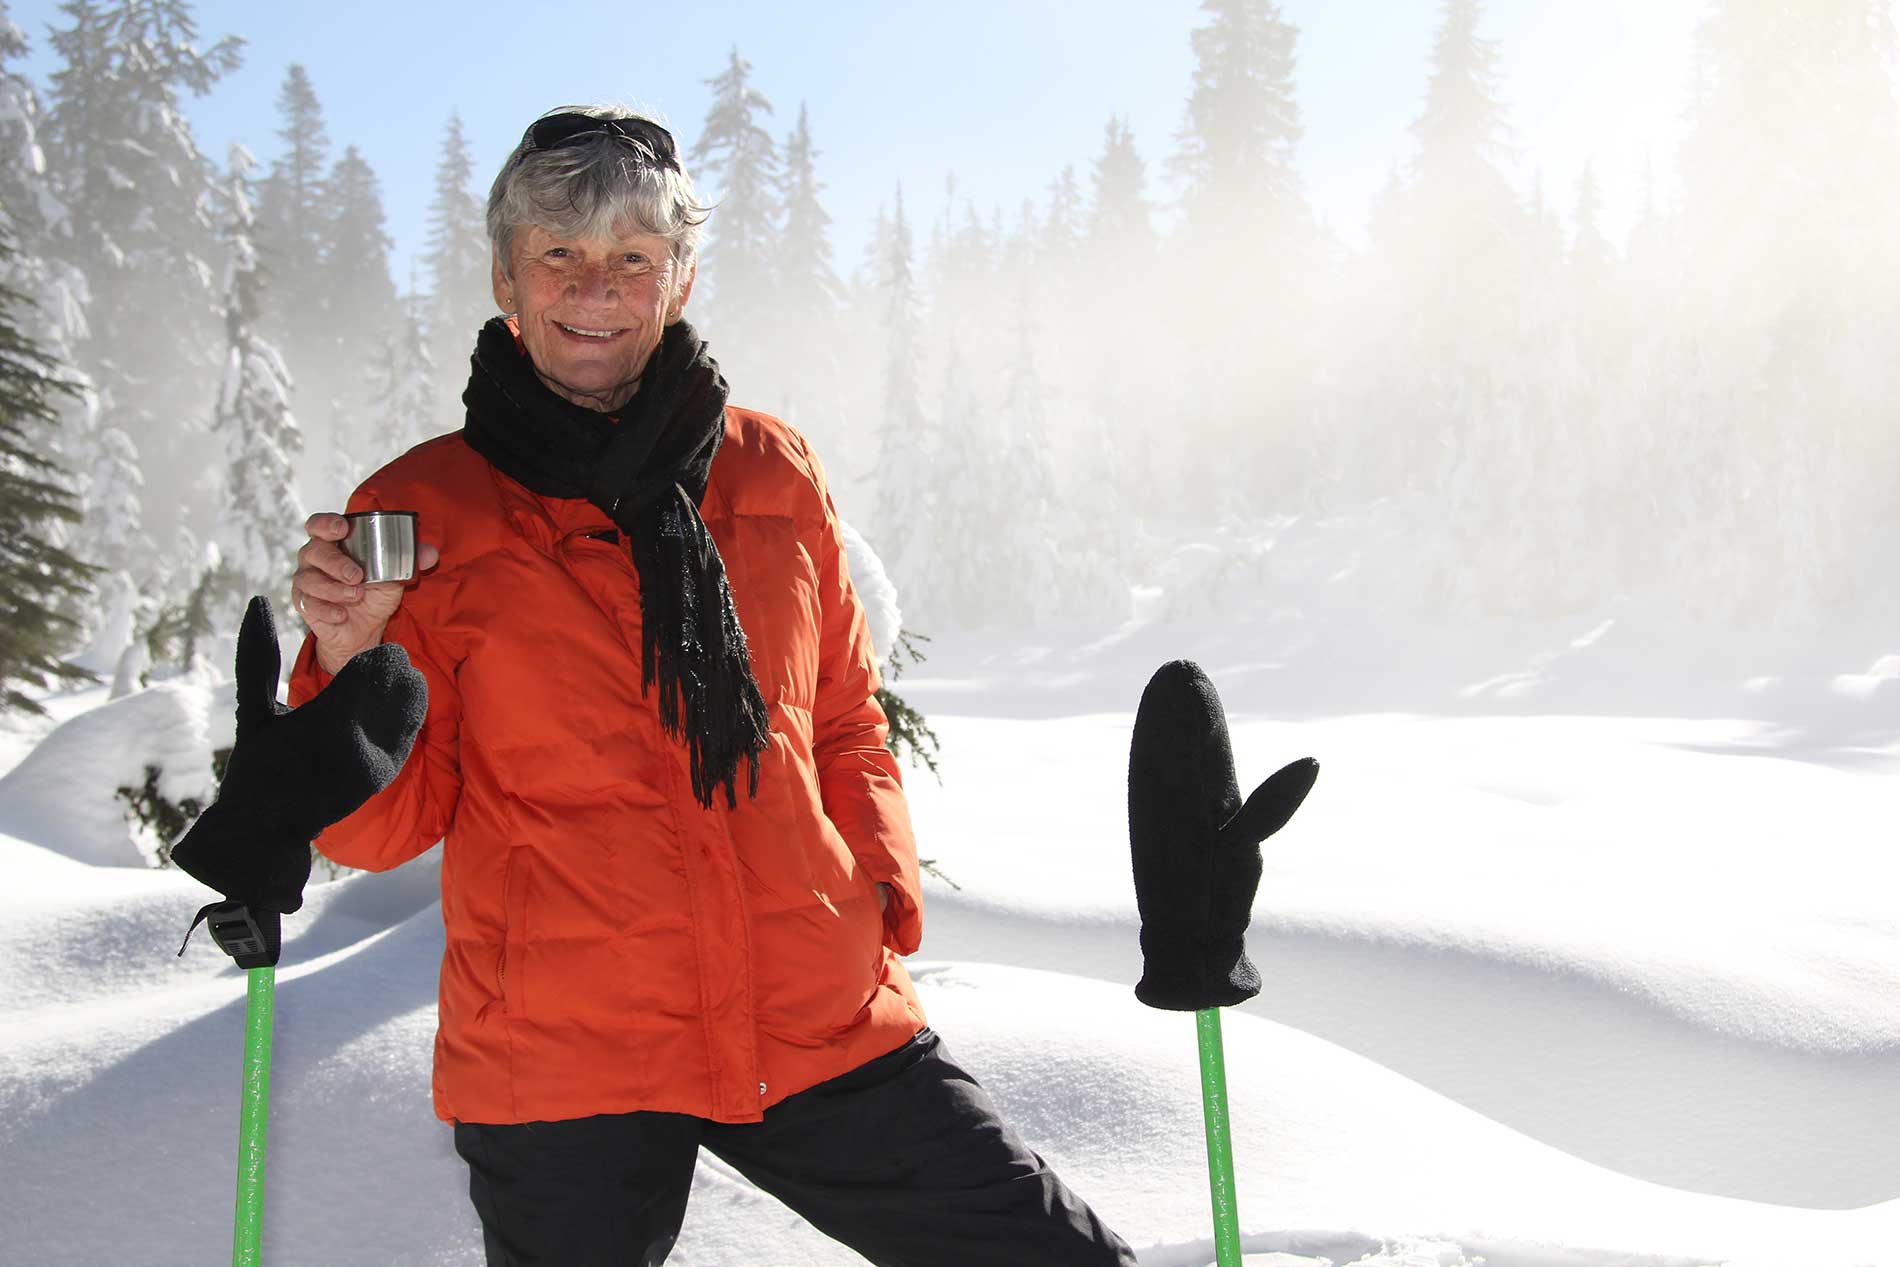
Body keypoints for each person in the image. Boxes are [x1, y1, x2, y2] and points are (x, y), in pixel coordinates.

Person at [287, 105, 1136, 1267]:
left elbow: (841, 718)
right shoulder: (429, 509)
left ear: (678, 277)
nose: (596, 288)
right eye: (560, 254)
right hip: (563, 1054)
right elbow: (377, 830)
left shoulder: (771, 470)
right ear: (505, 275)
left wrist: (873, 894)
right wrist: (346, 659)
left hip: (812, 1007)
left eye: (632, 257)